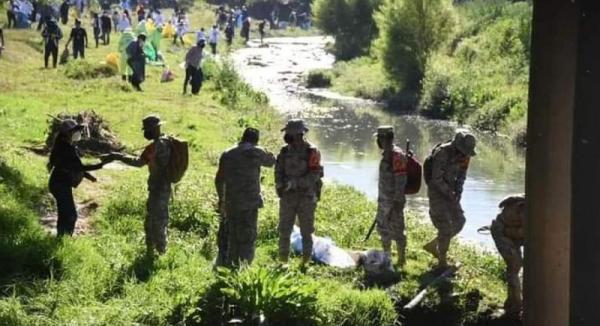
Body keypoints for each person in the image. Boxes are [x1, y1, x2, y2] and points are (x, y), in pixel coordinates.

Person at [104, 115, 172, 256]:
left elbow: (139, 162)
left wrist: (118, 156)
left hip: (159, 189)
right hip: (159, 188)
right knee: (151, 220)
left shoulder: (156, 146)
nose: (146, 133)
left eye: (148, 130)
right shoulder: (165, 142)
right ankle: (152, 252)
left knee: (157, 222)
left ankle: (160, 254)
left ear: (156, 129)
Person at [214, 128, 276, 267]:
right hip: (249, 203)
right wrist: (264, 149)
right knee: (248, 237)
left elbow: (219, 180)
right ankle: (245, 269)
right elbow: (272, 161)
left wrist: (221, 200)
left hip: (231, 202)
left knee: (232, 235)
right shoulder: (256, 151)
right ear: (255, 140)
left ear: (242, 138)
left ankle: (230, 266)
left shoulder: (228, 153)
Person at [423, 131, 477, 268]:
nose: (464, 155)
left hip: (451, 193)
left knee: (460, 221)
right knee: (445, 227)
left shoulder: (465, 156)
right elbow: (436, 179)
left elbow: (462, 176)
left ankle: (435, 244)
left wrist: (458, 192)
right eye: (463, 151)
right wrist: (449, 193)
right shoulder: (442, 152)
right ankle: (442, 261)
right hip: (437, 193)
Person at [275, 119, 323, 266]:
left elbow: (315, 174)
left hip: (306, 198)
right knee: (284, 230)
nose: (287, 136)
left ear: (298, 134)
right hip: (288, 198)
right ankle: (283, 261)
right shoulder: (285, 150)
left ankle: (305, 262)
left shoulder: (311, 151)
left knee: (306, 232)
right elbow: (278, 170)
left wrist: (295, 183)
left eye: (289, 133)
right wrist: (280, 185)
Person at [48, 119, 106, 236]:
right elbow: (79, 167)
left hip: (59, 183)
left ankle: (62, 238)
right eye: (74, 131)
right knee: (70, 215)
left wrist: (89, 176)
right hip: (60, 184)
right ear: (67, 133)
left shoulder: (64, 146)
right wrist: (101, 165)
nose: (77, 133)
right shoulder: (65, 148)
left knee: (65, 213)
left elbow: (73, 167)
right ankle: (65, 238)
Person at [374, 126, 408, 267]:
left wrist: (398, 201)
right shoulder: (387, 155)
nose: (380, 141)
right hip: (384, 200)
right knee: (383, 229)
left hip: (394, 201)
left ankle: (401, 260)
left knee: (398, 230)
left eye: (381, 138)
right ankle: (387, 258)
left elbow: (401, 180)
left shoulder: (396, 156)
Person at [491, 195, 525, 319]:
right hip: (502, 233)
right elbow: (522, 232)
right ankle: (516, 304)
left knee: (518, 266)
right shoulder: (523, 209)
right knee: (515, 265)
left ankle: (511, 301)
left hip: (516, 233)